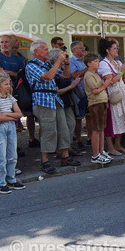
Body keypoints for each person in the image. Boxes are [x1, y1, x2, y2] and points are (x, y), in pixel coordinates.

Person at [25, 43, 81, 174]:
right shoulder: (31, 65)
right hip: (42, 101)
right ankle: (45, 161)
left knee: (63, 128)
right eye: (45, 49)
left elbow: (66, 76)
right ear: (36, 51)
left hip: (54, 99)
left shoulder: (47, 64)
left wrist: (66, 63)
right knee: (49, 130)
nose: (47, 51)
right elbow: (48, 76)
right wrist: (58, 62)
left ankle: (65, 156)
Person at [98, 38, 125, 156]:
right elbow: (110, 81)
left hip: (122, 92)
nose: (117, 50)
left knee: (121, 119)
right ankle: (110, 146)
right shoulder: (103, 64)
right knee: (113, 119)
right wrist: (122, 71)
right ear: (108, 50)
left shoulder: (118, 63)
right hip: (113, 93)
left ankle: (118, 145)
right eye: (115, 48)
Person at [0, 74, 25, 194]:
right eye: (6, 84)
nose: (9, 86)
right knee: (1, 157)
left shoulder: (11, 98)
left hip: (11, 127)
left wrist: (6, 115)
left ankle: (11, 178)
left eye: (9, 84)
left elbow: (19, 114)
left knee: (12, 154)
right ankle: (1, 182)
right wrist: (10, 116)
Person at [83, 53, 111, 164]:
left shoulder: (95, 74)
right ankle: (95, 155)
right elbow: (95, 91)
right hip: (95, 104)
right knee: (96, 129)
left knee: (101, 129)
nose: (97, 63)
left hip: (102, 102)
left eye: (98, 61)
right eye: (95, 61)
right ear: (88, 64)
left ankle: (101, 151)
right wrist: (105, 85)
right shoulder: (88, 75)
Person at [68, 41, 89, 150]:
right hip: (78, 92)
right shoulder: (72, 61)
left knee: (89, 115)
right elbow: (74, 74)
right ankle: (78, 139)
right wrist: (88, 68)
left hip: (88, 91)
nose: (83, 49)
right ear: (74, 50)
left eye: (83, 47)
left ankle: (89, 137)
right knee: (78, 117)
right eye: (80, 48)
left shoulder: (85, 60)